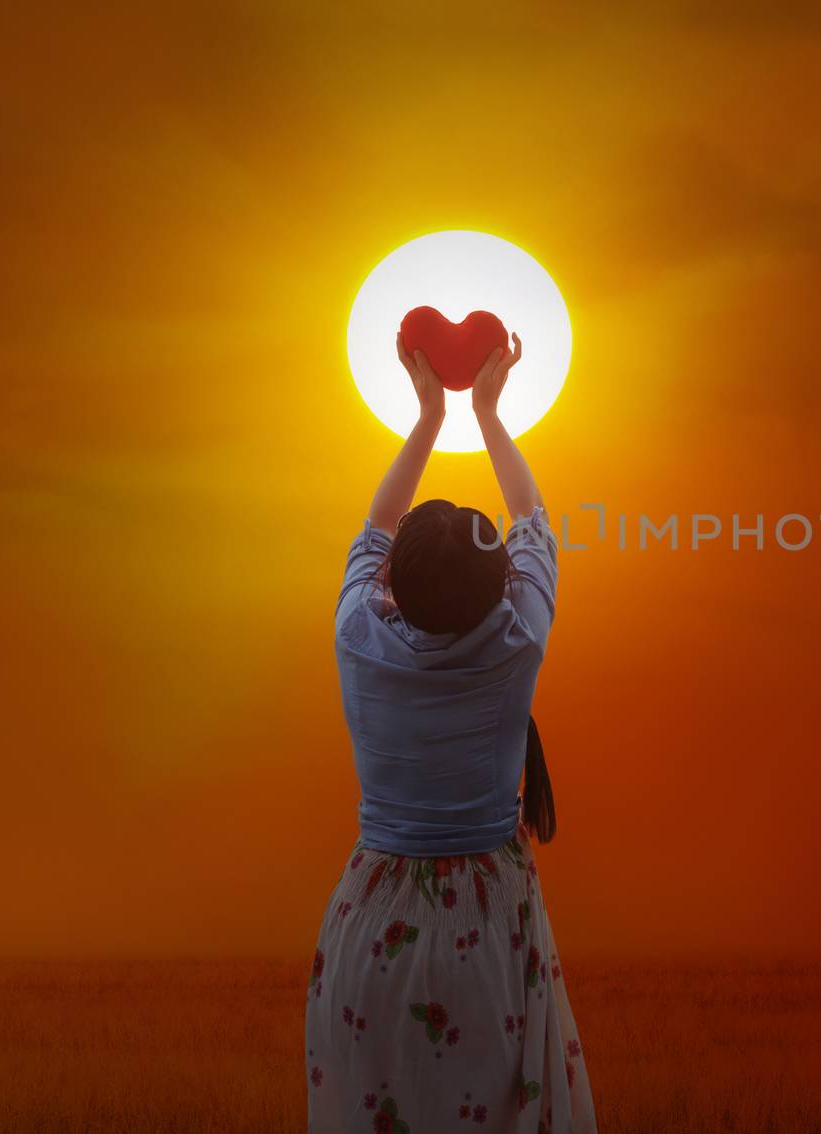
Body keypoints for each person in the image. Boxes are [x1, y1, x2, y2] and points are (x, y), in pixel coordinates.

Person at [305, 331, 596, 1133]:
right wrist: (490, 416)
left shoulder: (357, 633)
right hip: (487, 925)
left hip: (372, 920)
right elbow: (535, 521)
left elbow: (373, 527)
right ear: (502, 587)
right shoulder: (517, 641)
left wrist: (430, 416)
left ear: (390, 580)